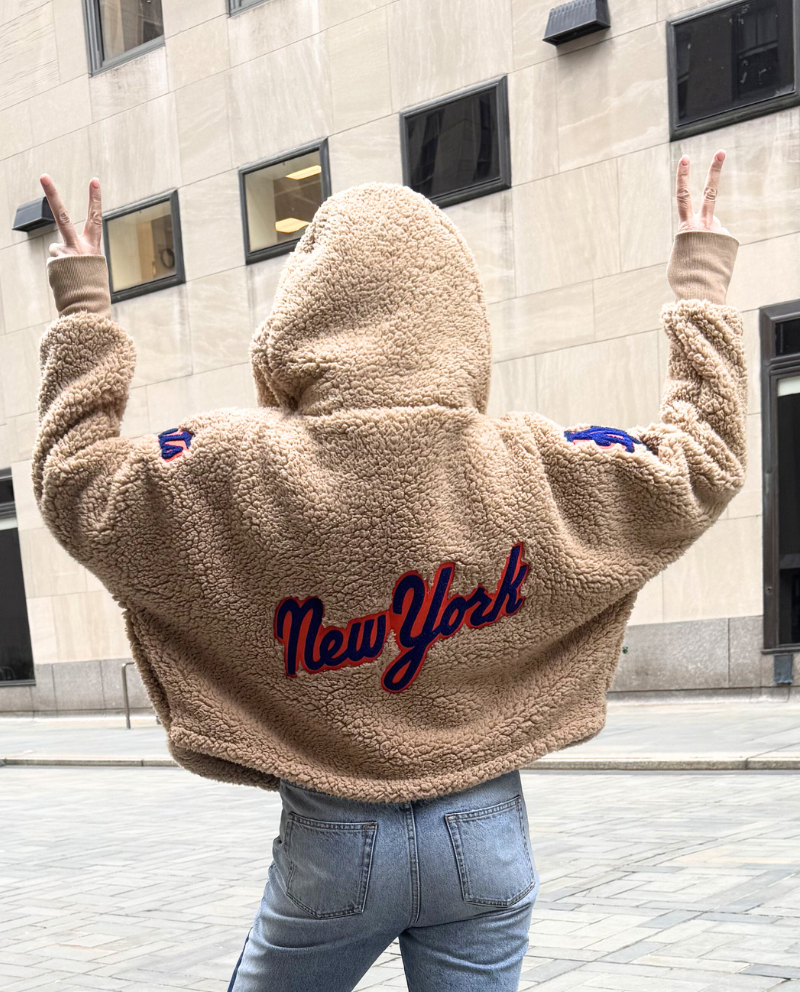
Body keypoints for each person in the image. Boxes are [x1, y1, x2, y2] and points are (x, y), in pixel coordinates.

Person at [35, 150, 746, 991]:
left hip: (331, 843)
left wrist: (85, 309)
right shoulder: (528, 465)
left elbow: (77, 482)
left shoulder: (233, 468)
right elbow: (699, 462)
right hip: (486, 836)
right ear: (458, 320)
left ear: (296, 325)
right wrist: (699, 291)